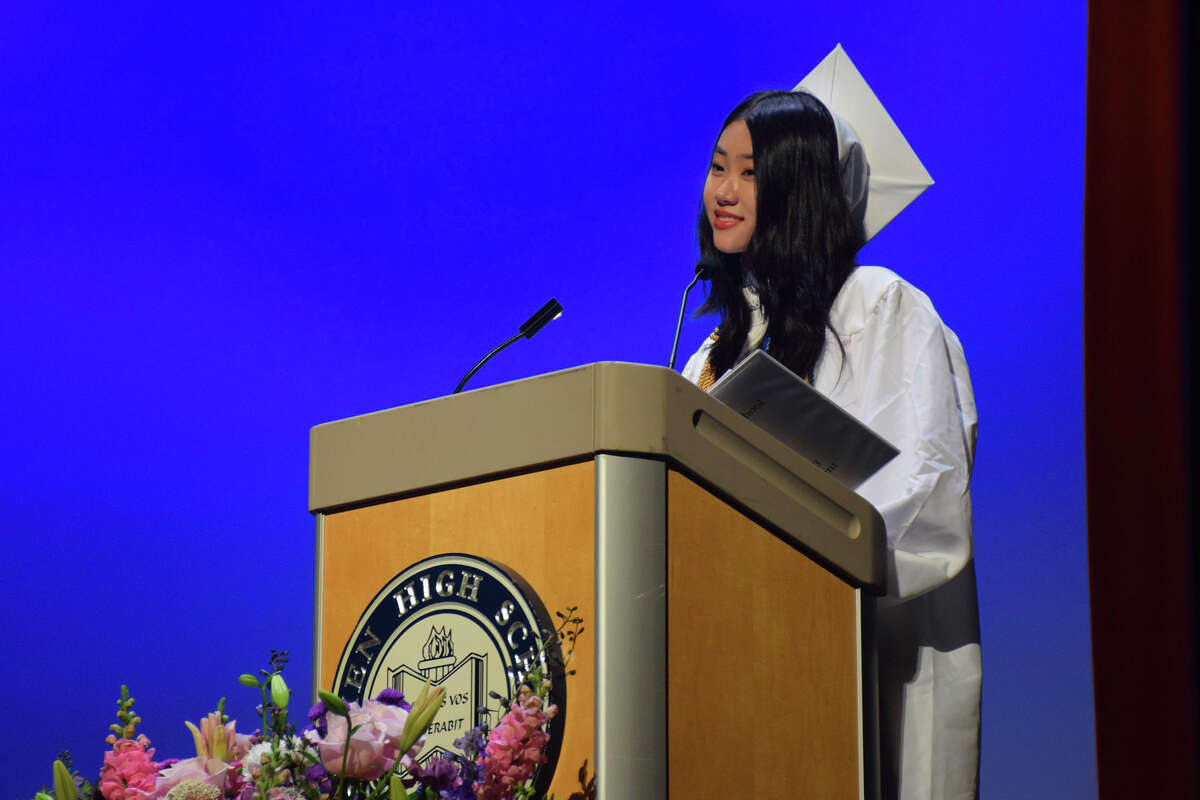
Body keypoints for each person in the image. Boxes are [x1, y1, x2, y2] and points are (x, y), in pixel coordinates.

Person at [681, 90, 981, 800]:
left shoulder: (879, 306)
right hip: (744, 663)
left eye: (750, 173)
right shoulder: (710, 355)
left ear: (800, 189)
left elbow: (928, 494)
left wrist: (802, 555)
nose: (723, 192)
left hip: (866, 660)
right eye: (718, 166)